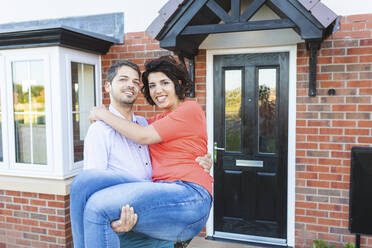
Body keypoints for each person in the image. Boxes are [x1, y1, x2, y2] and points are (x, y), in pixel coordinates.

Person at [70, 59, 212, 248]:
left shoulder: (189, 108)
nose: (158, 90)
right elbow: (137, 128)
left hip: (188, 195)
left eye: (164, 83)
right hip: (159, 195)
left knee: (97, 207)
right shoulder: (150, 122)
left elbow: (142, 136)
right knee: (82, 182)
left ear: (178, 83)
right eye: (152, 85)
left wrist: (101, 113)